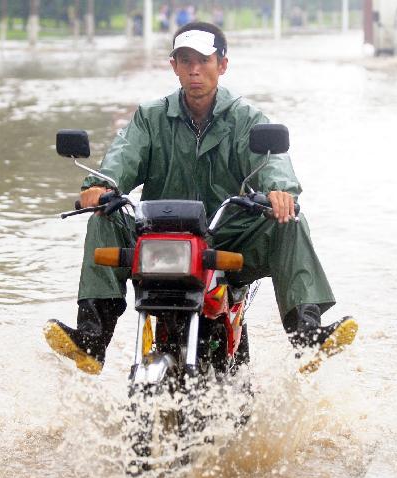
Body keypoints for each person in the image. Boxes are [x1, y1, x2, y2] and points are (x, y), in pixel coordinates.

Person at [44, 22, 358, 375]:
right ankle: (93, 338)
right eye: (186, 60)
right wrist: (101, 186)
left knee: (290, 223)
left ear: (222, 65)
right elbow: (124, 154)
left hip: (228, 239)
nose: (195, 69)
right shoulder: (151, 116)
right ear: (174, 66)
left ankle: (306, 334)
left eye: (204, 60)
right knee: (106, 216)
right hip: (159, 240)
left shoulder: (245, 119)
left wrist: (280, 192)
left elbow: (271, 163)